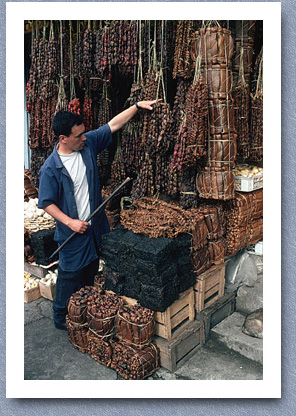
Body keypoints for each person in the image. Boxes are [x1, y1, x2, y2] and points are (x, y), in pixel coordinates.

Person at [38, 100, 157, 330]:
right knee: (70, 275)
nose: (84, 137)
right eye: (78, 135)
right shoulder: (51, 168)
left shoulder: (87, 145)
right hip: (72, 232)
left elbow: (112, 125)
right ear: (63, 139)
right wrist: (70, 222)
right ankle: (61, 318)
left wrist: (136, 106)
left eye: (84, 133)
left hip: (96, 225)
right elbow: (46, 203)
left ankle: (82, 313)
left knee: (91, 270)